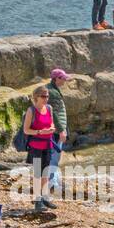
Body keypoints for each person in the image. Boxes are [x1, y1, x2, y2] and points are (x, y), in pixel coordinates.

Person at [21, 85, 57, 212]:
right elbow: (26, 130)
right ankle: (37, 201)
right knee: (37, 173)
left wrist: (52, 128)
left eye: (47, 96)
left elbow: (51, 122)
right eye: (43, 96)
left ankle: (45, 198)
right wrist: (40, 132)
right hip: (35, 147)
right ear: (36, 97)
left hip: (48, 144)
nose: (46, 99)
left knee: (46, 172)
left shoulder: (49, 108)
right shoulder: (31, 110)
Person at [46, 69, 70, 198]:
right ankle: (52, 183)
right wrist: (61, 130)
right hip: (56, 130)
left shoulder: (52, 89)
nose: (65, 80)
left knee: (54, 156)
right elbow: (53, 113)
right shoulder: (52, 92)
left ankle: (54, 181)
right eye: (63, 78)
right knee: (54, 157)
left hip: (55, 129)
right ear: (56, 78)